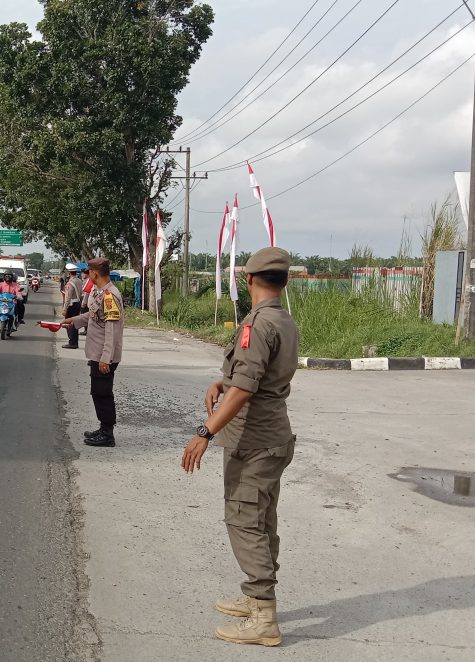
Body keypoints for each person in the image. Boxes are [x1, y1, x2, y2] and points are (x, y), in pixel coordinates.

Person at [180, 246, 299, 648]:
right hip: (274, 437)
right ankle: (255, 596)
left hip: (254, 442)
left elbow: (246, 387)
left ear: (248, 280)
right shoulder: (283, 319)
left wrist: (205, 431)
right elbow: (251, 377)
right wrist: (223, 382)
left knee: (244, 520)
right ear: (284, 281)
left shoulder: (257, 324)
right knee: (262, 520)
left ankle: (264, 616)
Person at [60, 257, 123, 447]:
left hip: (104, 355)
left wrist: (106, 358)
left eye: (89, 272)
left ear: (95, 273)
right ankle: (103, 428)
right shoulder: (99, 292)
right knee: (98, 392)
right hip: (97, 353)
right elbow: (93, 316)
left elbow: (112, 330)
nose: (88, 275)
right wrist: (74, 321)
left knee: (103, 393)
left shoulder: (111, 296)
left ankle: (107, 434)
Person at [60, 263, 83, 349]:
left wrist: (64, 309)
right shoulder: (79, 281)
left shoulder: (70, 283)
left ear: (69, 273)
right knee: (75, 323)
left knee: (69, 324)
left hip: (71, 305)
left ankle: (72, 342)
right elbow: (81, 294)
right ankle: (74, 342)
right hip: (77, 303)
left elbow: (68, 297)